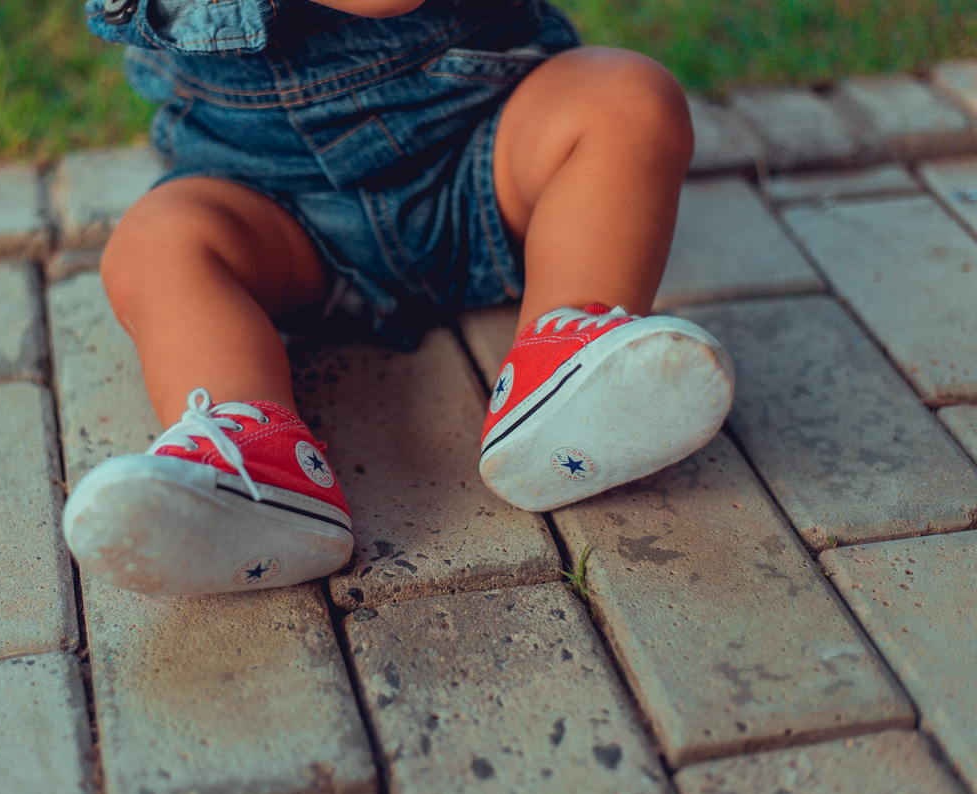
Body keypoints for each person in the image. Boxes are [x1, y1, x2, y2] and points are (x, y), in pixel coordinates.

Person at [62, 0, 734, 596]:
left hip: (483, 150)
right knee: (155, 243)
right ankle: (252, 459)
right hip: (274, 208)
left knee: (630, 98)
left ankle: (565, 364)